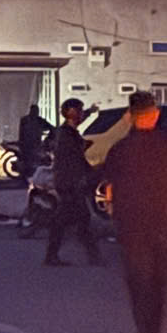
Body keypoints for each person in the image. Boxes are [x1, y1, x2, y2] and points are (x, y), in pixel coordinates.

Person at [100, 94, 167, 333]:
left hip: (132, 227)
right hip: (164, 224)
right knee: (159, 286)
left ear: (130, 116)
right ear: (155, 114)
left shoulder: (120, 149)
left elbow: (108, 185)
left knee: (139, 284)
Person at [44, 99, 103, 266]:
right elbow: (74, 160)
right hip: (69, 182)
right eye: (80, 111)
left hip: (68, 181)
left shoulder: (68, 132)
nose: (82, 114)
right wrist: (86, 174)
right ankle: (92, 256)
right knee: (73, 218)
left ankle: (92, 256)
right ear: (72, 113)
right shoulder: (66, 135)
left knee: (75, 218)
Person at [19, 106, 51, 171]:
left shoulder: (26, 119)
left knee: (31, 158)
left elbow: (21, 132)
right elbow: (21, 132)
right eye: (35, 110)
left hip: (29, 143)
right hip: (31, 143)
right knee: (32, 158)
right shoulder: (38, 120)